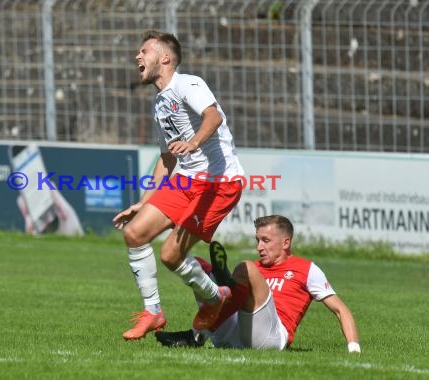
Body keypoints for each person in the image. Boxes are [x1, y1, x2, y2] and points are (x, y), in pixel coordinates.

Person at [113, 30, 245, 340]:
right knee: (135, 233)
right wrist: (143, 202)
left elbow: (212, 117)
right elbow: (166, 159)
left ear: (166, 58)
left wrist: (194, 142)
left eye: (145, 51)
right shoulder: (160, 103)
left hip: (219, 182)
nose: (138, 57)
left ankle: (215, 297)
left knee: (170, 255)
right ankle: (153, 311)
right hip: (186, 180)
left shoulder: (188, 83)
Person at [155, 215, 361, 353]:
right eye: (257, 240)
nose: (259, 247)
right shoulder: (255, 267)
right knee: (197, 266)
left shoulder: (306, 269)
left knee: (245, 269)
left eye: (266, 240)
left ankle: (198, 333)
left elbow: (341, 310)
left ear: (286, 243)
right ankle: (216, 305)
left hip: (272, 336)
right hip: (236, 330)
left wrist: (354, 349)